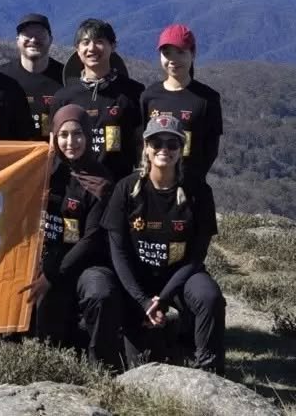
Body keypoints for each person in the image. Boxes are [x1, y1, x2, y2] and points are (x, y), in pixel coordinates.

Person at [102, 114, 225, 374]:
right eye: (156, 143)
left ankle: (210, 371)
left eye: (172, 144)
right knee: (140, 363)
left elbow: (196, 256)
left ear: (182, 149)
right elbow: (119, 252)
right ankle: (169, 334)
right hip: (138, 280)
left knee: (209, 296)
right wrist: (144, 301)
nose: (164, 150)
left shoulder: (198, 192)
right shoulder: (126, 188)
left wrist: (164, 297)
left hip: (180, 278)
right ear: (146, 147)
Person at [22, 104, 122, 371]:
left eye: (77, 134)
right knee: (42, 310)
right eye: (63, 135)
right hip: (51, 257)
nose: (71, 142)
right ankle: (49, 365)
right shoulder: (46, 173)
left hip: (88, 263)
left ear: (88, 136)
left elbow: (90, 239)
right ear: (54, 136)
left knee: (100, 293)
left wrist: (51, 276)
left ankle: (101, 368)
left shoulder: (102, 181)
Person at [51, 19, 145, 179]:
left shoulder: (133, 92)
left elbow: (141, 147)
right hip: (73, 187)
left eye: (99, 42)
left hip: (118, 187)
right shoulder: (63, 97)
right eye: (85, 42)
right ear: (77, 49)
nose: (92, 48)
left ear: (113, 46)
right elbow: (53, 149)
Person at [140, 24, 223, 183]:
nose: (173, 60)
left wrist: (193, 180)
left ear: (193, 53)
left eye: (180, 52)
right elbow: (142, 142)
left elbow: (210, 149)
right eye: (167, 53)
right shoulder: (149, 96)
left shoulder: (207, 99)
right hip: (154, 186)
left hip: (192, 187)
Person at [0, 13, 64, 141]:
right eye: (27, 34)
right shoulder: (1, 76)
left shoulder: (65, 77)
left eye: (39, 34)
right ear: (17, 40)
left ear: (51, 40)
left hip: (54, 158)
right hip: (15, 158)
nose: (33, 40)